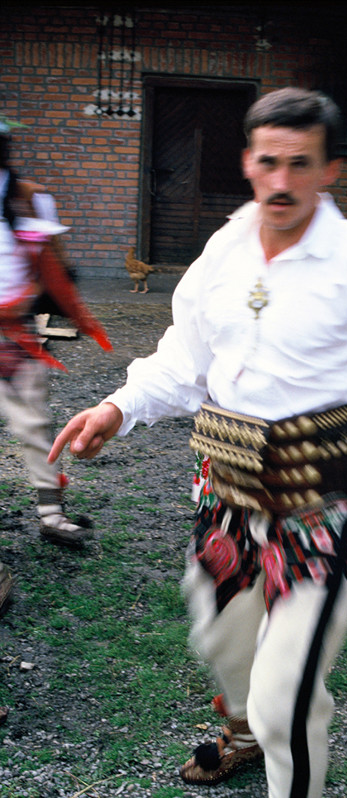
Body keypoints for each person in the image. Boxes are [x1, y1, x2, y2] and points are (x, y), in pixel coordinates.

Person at [48, 88, 347, 797]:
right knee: (221, 643)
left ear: (328, 169)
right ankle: (246, 729)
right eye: (268, 161)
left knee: (286, 699)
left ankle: (277, 741)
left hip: (320, 505)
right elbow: (186, 356)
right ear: (247, 160)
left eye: (299, 164)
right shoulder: (225, 249)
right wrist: (117, 406)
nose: (280, 181)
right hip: (225, 495)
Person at [0, 118, 112, 613]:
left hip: (17, 332)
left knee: (35, 425)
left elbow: (54, 269)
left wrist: (57, 318)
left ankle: (50, 514)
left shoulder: (28, 198)